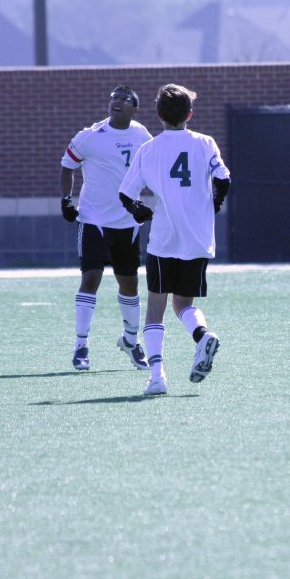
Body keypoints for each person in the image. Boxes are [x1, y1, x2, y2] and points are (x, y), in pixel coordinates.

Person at [118, 84, 231, 396]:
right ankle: (202, 334)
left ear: (158, 115)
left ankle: (157, 377)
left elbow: (126, 194)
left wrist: (139, 211)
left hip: (164, 239)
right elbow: (224, 179)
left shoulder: (149, 150)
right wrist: (215, 204)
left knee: (156, 308)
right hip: (197, 238)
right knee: (183, 304)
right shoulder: (205, 143)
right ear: (190, 114)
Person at [59, 85, 153, 372]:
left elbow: (152, 168)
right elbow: (67, 166)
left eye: (125, 99)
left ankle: (130, 341)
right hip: (94, 221)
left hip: (127, 223)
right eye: (115, 97)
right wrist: (66, 200)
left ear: (135, 109)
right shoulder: (90, 136)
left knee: (130, 284)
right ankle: (80, 345)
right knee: (91, 279)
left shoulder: (141, 135)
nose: (118, 102)